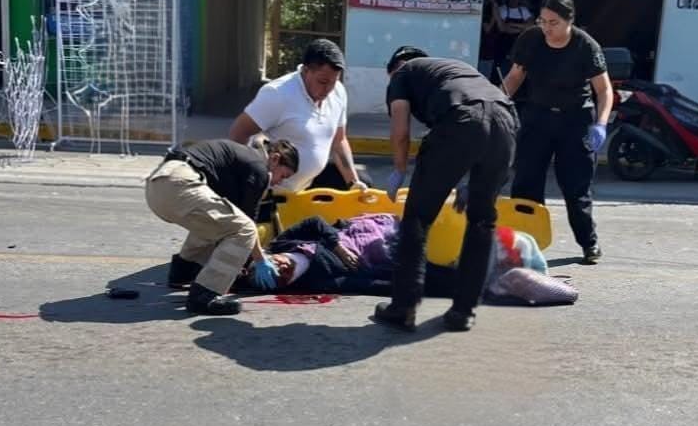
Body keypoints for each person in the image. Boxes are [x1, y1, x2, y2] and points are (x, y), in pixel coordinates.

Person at [373, 46, 519, 332]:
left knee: (417, 219)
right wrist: (471, 184)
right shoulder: (456, 68)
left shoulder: (402, 74)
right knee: (481, 221)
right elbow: (487, 116)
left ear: (394, 69)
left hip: (460, 121)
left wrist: (399, 169)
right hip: (505, 121)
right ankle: (463, 311)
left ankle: (403, 308)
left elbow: (400, 129)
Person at [501, 0, 612, 265]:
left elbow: (604, 90)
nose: (547, 28)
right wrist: (496, 103)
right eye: (543, 21)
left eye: (554, 23)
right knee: (526, 183)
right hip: (537, 117)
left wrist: (601, 124)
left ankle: (589, 243)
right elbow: (515, 78)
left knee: (576, 188)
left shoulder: (586, 46)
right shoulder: (531, 39)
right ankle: (523, 247)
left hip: (575, 121)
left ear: (569, 21)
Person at [144, 138, 299, 315]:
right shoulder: (259, 168)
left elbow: (233, 218)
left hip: (157, 185)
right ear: (275, 159)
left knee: (220, 222)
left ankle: (184, 271)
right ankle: (204, 295)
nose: (278, 182)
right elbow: (248, 224)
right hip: (179, 184)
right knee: (244, 229)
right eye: (283, 176)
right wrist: (260, 260)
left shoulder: (242, 159)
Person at [246, 213, 548, 297]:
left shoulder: (283, 245)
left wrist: (336, 244)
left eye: (274, 265)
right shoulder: (316, 280)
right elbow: (363, 284)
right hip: (381, 257)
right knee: (429, 276)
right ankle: (491, 280)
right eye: (281, 275)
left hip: (370, 230)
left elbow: (314, 222)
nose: (281, 266)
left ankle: (493, 259)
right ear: (285, 283)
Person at [228, 38, 371, 192]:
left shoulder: (338, 92)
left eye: (333, 82)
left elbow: (339, 140)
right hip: (276, 188)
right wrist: (251, 179)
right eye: (322, 82)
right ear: (305, 71)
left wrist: (353, 182)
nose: (328, 89)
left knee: (363, 183)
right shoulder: (278, 94)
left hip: (309, 183)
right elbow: (238, 133)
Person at [495, 0, 535, 76]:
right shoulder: (502, 10)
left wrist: (512, 24)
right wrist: (522, 28)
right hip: (504, 50)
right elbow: (503, 28)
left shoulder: (524, 10)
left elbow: (531, 26)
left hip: (520, 52)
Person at [477, 0, 501, 80]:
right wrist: (495, 16)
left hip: (492, 47)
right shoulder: (486, 8)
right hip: (484, 48)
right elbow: (487, 29)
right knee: (483, 75)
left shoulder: (496, 6)